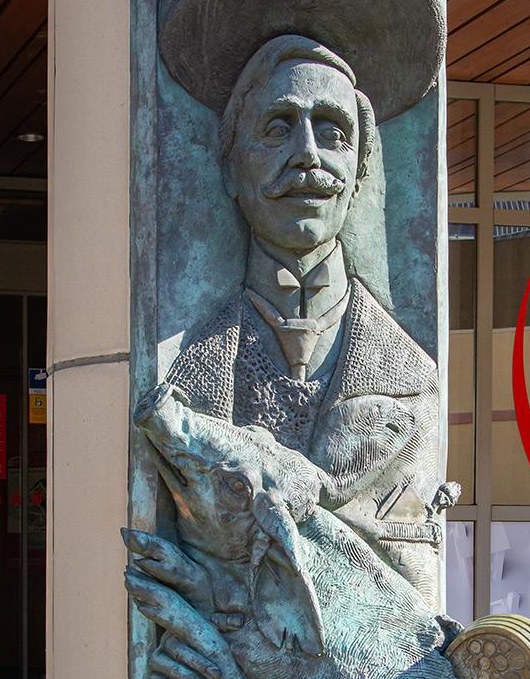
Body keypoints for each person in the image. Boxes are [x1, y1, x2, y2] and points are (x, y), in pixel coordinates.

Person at [166, 34, 443, 595]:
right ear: (230, 169)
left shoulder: (413, 378)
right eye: (278, 129)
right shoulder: (181, 377)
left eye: (333, 132)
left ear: (359, 171)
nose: (307, 155)